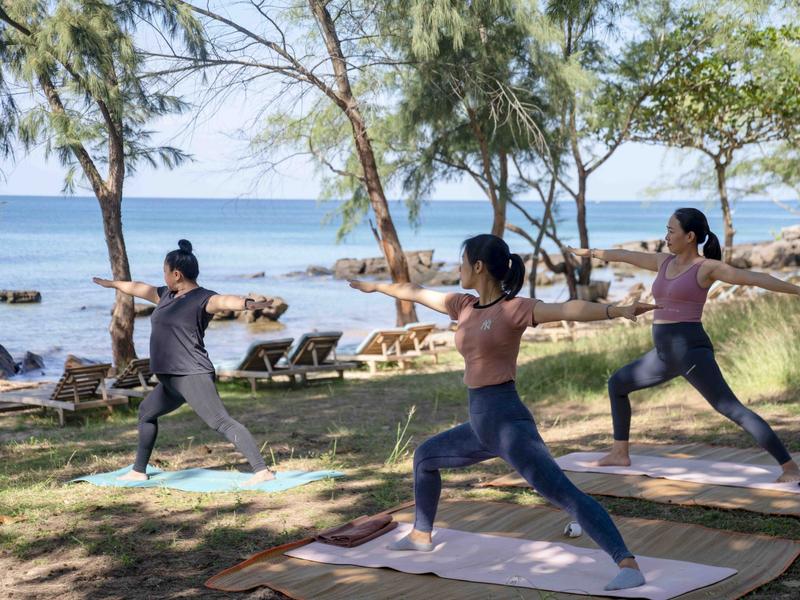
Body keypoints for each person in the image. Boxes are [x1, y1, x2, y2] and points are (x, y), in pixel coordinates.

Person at [350, 233, 657, 591]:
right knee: (425, 457)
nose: (457, 268)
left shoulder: (513, 309)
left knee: (564, 494)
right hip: (481, 425)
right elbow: (415, 291)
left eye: (462, 262)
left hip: (508, 423)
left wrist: (614, 310)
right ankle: (421, 534)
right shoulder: (463, 305)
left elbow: (567, 309)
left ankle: (628, 563)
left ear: (478, 267)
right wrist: (375, 287)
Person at [567, 208, 800, 482]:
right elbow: (624, 256)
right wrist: (590, 253)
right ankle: (620, 453)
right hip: (665, 354)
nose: (666, 236)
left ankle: (789, 467)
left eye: (670, 231)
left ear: (690, 236)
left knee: (731, 408)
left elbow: (754, 278)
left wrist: (797, 290)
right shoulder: (664, 262)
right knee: (617, 384)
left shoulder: (706, 268)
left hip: (690, 351)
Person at [93, 239, 275, 486]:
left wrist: (247, 304)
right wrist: (112, 283)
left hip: (191, 374)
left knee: (220, 421)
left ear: (176, 274)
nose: (163, 276)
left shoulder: (203, 299)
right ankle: (138, 470)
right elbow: (138, 288)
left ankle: (262, 471)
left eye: (165, 272)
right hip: (170, 379)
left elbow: (225, 301)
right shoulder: (166, 295)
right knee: (146, 412)